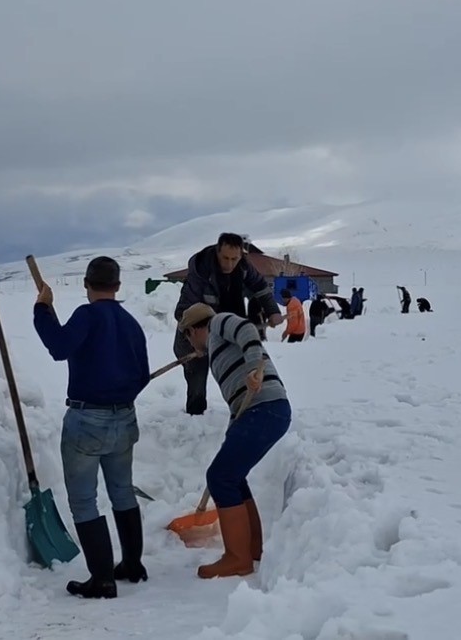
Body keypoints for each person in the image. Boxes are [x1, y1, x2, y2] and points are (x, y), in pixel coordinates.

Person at [33, 256, 151, 599]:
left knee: (84, 501)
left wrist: (43, 310)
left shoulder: (86, 316)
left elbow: (58, 347)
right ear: (117, 286)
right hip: (124, 418)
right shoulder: (130, 323)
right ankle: (131, 564)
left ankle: (102, 579)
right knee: (122, 491)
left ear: (87, 285)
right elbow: (142, 374)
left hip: (87, 421)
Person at [178, 302, 293, 579]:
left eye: (188, 337)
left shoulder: (219, 323)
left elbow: (246, 329)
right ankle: (252, 550)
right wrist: (234, 431)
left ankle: (237, 558)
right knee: (232, 477)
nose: (191, 343)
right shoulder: (219, 351)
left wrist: (256, 368)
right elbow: (239, 400)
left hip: (265, 407)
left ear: (194, 330)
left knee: (220, 477)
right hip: (261, 411)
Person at [173, 232, 283, 415]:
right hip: (194, 335)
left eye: (235, 258)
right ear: (217, 252)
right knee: (197, 378)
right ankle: (195, 416)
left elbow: (261, 288)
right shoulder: (200, 271)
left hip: (230, 330)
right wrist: (198, 339)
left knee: (244, 367)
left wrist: (273, 311)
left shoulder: (245, 268)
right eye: (225, 258)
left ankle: (248, 407)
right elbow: (183, 312)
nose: (230, 264)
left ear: (241, 255)